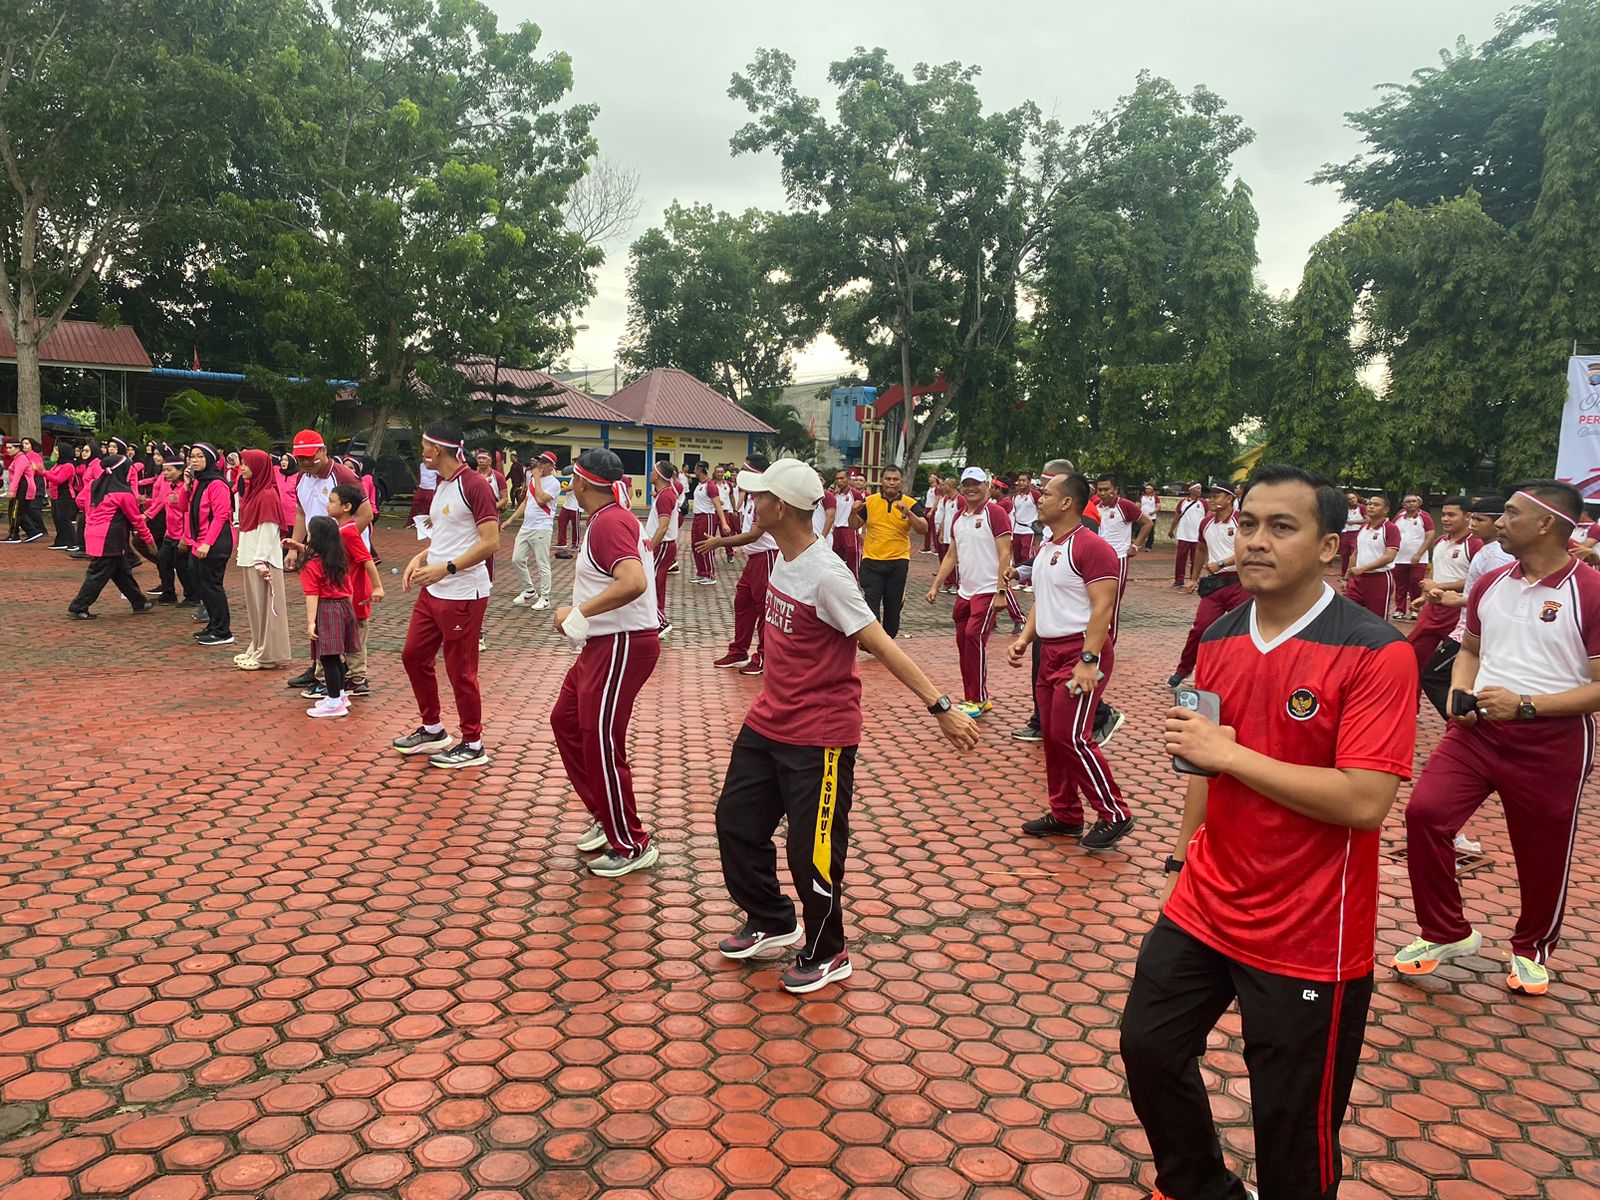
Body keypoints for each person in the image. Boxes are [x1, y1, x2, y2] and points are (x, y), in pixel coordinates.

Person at [1123, 463, 1417, 1200]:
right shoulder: (1219, 636)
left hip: (1310, 930)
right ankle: (1198, 1186)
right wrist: (1180, 862)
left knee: (1290, 1122)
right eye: (1248, 524)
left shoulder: (1378, 651)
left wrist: (1231, 756)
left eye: (1282, 527)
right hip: (1206, 900)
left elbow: (1364, 801)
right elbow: (1202, 764)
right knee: (1149, 1048)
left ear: (1328, 546)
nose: (1256, 540)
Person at [714, 458, 980, 993]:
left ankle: (828, 950)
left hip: (820, 736)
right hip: (768, 722)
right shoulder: (782, 557)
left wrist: (941, 707)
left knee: (811, 851)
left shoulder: (828, 576)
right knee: (736, 824)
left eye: (759, 496)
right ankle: (771, 919)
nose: (752, 504)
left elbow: (880, 644)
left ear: (780, 507)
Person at [1393, 481, 1600, 997]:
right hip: (1477, 733)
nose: (1498, 522)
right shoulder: (1490, 582)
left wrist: (1526, 706)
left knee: (1542, 852)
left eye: (1509, 513)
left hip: (1553, 743)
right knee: (1425, 814)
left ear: (1546, 523)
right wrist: (1458, 692)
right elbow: (1470, 650)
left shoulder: (1591, 591)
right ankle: (1446, 932)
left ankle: (1531, 949)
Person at [1009, 471, 1136, 851]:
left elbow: (1103, 607)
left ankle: (1115, 813)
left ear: (1067, 502)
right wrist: (1025, 638)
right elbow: (1044, 601)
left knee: (1073, 736)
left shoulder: (1092, 547)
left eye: (1047, 493)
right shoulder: (1048, 546)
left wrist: (1088, 660)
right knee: (1053, 736)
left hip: (1080, 651)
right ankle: (1065, 813)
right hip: (1050, 652)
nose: (1039, 498)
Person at [551, 449, 663, 877]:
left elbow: (633, 581)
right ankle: (606, 813)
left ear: (581, 483)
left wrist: (577, 613)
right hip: (605, 643)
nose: (570, 487)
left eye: (571, 480)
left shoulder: (609, 522)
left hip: (622, 642)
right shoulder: (607, 518)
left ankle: (631, 843)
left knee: (601, 740)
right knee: (565, 720)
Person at [392, 423, 501, 768]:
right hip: (434, 589)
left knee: (460, 671)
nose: (421, 450)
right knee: (413, 656)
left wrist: (448, 568)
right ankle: (433, 729)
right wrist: (421, 557)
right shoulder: (442, 484)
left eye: (424, 445)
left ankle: (473, 744)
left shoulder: (475, 485)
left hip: (463, 592)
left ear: (437, 450)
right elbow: (446, 537)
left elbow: (491, 542)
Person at [284, 431, 373, 690]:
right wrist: (294, 549)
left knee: (350, 614)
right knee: (322, 613)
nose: (305, 462)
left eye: (310, 457)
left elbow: (365, 514)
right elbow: (301, 513)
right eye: (300, 458)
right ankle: (320, 666)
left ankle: (352, 674)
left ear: (323, 451)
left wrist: (338, 547)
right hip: (317, 554)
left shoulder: (342, 476)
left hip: (345, 557)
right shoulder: (301, 477)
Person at [926, 467, 1012, 717]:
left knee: (975, 638)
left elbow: (1005, 553)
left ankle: (978, 698)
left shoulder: (995, 513)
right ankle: (972, 696)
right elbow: (951, 555)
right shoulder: (959, 517)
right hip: (965, 591)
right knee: (964, 642)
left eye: (977, 484)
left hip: (987, 589)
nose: (971, 489)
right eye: (967, 484)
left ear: (987, 486)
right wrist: (935, 585)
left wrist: (1001, 591)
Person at [1418, 497, 1511, 719]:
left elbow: (1499, 597)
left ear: (1498, 522)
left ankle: (1463, 721)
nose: (1473, 524)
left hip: (1474, 630)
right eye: (1473, 519)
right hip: (1465, 625)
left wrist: (1455, 600)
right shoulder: (1485, 550)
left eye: (1480, 519)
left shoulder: (1496, 555)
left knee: (1434, 675)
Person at [701, 454, 782, 675]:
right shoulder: (752, 497)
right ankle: (739, 651)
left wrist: (720, 542)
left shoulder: (767, 498)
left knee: (764, 608)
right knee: (743, 603)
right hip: (754, 559)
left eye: (745, 470)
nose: (739, 475)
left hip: (766, 557)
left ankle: (765, 656)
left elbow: (754, 535)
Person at [1166, 484, 1249, 689]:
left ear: (1229, 498)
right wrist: (1193, 578)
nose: (1211, 500)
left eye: (1216, 496)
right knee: (1200, 629)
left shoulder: (1242, 521)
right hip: (1215, 584)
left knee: (1241, 632)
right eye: (1209, 496)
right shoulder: (1206, 523)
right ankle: (1183, 670)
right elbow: (1201, 550)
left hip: (1240, 583)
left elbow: (1248, 550)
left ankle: (1238, 677)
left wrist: (1222, 563)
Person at [66, 455, 159, 620]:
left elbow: (80, 500)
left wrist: (94, 512)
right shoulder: (123, 493)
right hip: (110, 537)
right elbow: (136, 520)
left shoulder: (93, 485)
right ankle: (78, 607)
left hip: (93, 532)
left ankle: (139, 602)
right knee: (98, 574)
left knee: (121, 571)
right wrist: (149, 541)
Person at [233, 449, 292, 672]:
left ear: (258, 467)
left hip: (262, 562)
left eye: (246, 464)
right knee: (257, 609)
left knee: (268, 610)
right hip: (252, 558)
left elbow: (268, 529)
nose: (242, 468)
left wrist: (260, 560)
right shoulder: (253, 492)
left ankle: (267, 655)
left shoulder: (267, 495)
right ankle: (258, 646)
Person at [1405, 496, 1481, 671]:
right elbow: (1435, 572)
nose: (1445, 519)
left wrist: (1439, 587)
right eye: (1444, 514)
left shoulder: (1475, 545)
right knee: (1412, 655)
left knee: (1452, 666)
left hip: (1458, 611)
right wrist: (1424, 596)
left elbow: (1476, 583)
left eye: (1451, 515)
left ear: (1468, 516)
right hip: (1433, 609)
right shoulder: (1440, 541)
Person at [852, 466, 928, 638]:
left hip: (898, 562)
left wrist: (908, 513)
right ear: (881, 481)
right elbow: (854, 525)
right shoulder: (870, 501)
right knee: (870, 604)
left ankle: (888, 638)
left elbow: (923, 529)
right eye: (888, 479)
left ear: (901, 482)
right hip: (871, 561)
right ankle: (875, 640)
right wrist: (853, 513)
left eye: (895, 479)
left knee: (892, 606)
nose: (891, 482)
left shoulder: (910, 503)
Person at [299, 516, 360, 718]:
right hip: (344, 607)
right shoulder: (339, 560)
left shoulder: (312, 564)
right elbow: (350, 590)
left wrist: (311, 622)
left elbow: (312, 594)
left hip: (326, 609)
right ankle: (340, 695)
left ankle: (334, 702)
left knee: (328, 658)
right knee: (337, 656)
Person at [327, 484, 381, 696]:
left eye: (332, 501)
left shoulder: (349, 531)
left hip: (357, 594)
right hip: (347, 593)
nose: (328, 505)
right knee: (349, 635)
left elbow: (367, 559)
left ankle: (358, 678)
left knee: (356, 637)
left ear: (347, 507)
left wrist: (377, 587)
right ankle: (351, 674)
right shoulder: (341, 529)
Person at [1092, 473, 1153, 640]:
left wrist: (1135, 545)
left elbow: (1147, 523)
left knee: (1112, 602)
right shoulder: (1094, 506)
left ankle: (1110, 641)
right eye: (1100, 489)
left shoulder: (1125, 506)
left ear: (1116, 489)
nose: (1103, 493)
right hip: (1096, 560)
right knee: (1094, 601)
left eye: (1107, 489)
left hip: (1117, 559)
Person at [187, 443, 236, 646]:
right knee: (202, 585)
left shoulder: (217, 483)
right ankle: (214, 624)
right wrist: (186, 486)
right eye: (192, 456)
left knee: (212, 586)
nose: (195, 460)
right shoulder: (200, 482)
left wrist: (207, 543)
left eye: (200, 456)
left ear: (209, 459)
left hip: (216, 542)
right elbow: (187, 509)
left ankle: (223, 631)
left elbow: (221, 515)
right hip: (200, 541)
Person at [505, 450, 561, 611]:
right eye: (538, 461)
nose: (539, 464)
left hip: (542, 527)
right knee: (517, 559)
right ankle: (529, 590)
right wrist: (510, 520)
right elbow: (526, 502)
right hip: (526, 527)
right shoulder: (533, 480)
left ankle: (545, 598)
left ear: (551, 465)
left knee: (542, 563)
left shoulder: (554, 483)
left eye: (543, 462)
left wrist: (536, 479)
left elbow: (541, 499)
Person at [1343, 493, 1399, 618]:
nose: (1371, 507)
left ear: (1386, 510)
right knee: (1344, 609)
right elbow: (1355, 553)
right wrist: (1346, 578)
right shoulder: (1363, 528)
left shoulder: (1390, 528)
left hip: (1379, 579)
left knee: (1377, 618)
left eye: (1376, 505)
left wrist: (1363, 568)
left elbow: (1389, 556)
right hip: (1358, 579)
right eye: (1370, 504)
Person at [644, 460, 683, 635]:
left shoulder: (665, 496)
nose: (650, 473)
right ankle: (656, 619)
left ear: (659, 475)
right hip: (663, 544)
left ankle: (660, 621)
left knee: (653, 581)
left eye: (653, 470)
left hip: (663, 544)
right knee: (655, 580)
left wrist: (650, 547)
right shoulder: (663, 494)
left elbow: (663, 527)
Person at [1392, 492, 1436, 619]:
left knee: (1415, 583)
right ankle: (1400, 610)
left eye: (1413, 501)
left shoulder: (1424, 517)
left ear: (1419, 503)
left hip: (1419, 559)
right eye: (1408, 502)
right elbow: (1392, 532)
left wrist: (1419, 554)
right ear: (1403, 504)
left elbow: (1430, 536)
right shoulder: (1399, 516)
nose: (1411, 504)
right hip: (1399, 558)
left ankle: (1414, 610)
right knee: (1400, 585)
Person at [689, 461, 729, 583]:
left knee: (706, 545)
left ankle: (709, 574)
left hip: (707, 517)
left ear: (700, 470)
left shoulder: (710, 485)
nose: (694, 471)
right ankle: (701, 572)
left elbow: (717, 505)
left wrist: (724, 523)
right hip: (697, 517)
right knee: (696, 545)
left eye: (695, 469)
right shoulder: (699, 485)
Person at [4, 437, 45, 543]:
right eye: (7, 448)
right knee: (18, 511)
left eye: (10, 448)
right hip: (22, 488)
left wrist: (11, 490)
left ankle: (15, 534)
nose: (8, 450)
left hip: (23, 488)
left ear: (17, 448)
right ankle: (31, 531)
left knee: (15, 511)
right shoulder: (18, 458)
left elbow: (17, 475)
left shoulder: (21, 459)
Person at [1168, 482, 1205, 590]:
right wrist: (1171, 530)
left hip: (1197, 537)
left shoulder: (1203, 503)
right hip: (1183, 535)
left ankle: (1194, 580)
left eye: (1200, 488)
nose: (1200, 490)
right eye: (1197, 488)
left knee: (1196, 560)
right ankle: (1179, 580)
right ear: (1191, 490)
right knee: (1180, 559)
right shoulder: (1182, 502)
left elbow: (1208, 517)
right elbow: (1177, 517)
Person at [44, 449, 79, 550]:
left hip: (65, 495)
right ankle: (61, 541)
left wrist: (44, 472)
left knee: (64, 519)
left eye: (57, 451)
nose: (55, 453)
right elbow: (50, 475)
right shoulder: (58, 464)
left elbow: (59, 479)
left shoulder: (68, 466)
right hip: (55, 495)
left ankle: (73, 542)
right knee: (57, 519)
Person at [474, 448, 512, 515]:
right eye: (479, 458)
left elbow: (504, 498)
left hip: (492, 513)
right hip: (475, 512)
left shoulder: (499, 477)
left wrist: (492, 507)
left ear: (490, 461)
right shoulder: (472, 476)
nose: (481, 460)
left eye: (484, 458)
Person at [556, 472, 583, 558]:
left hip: (576, 506)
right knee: (561, 521)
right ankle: (562, 542)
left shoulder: (580, 478)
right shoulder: (573, 477)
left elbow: (570, 488)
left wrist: (558, 490)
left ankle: (575, 544)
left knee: (575, 526)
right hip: (567, 504)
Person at [1338, 491, 1364, 578]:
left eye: (1353, 498)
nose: (1352, 500)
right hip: (1346, 532)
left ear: (1357, 498)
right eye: (1350, 499)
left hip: (1357, 532)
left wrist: (1354, 522)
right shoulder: (1345, 509)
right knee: (1344, 554)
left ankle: (1354, 574)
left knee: (1354, 553)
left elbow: (1367, 519)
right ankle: (1344, 574)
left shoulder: (1362, 508)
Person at [1137, 483, 1160, 552]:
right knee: (1138, 530)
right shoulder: (1142, 497)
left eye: (1149, 488)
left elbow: (1158, 506)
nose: (1147, 490)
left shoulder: (1155, 498)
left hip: (1151, 517)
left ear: (1152, 489)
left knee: (1150, 532)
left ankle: (1148, 546)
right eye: (1146, 488)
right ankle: (1138, 544)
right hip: (1142, 517)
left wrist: (1153, 512)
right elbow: (1138, 505)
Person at [921, 472, 941, 553]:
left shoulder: (937, 488)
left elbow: (937, 499)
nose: (929, 478)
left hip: (932, 509)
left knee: (933, 529)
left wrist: (932, 510)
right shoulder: (930, 489)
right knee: (927, 528)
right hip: (927, 508)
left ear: (935, 479)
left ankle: (937, 547)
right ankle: (927, 547)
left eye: (931, 477)